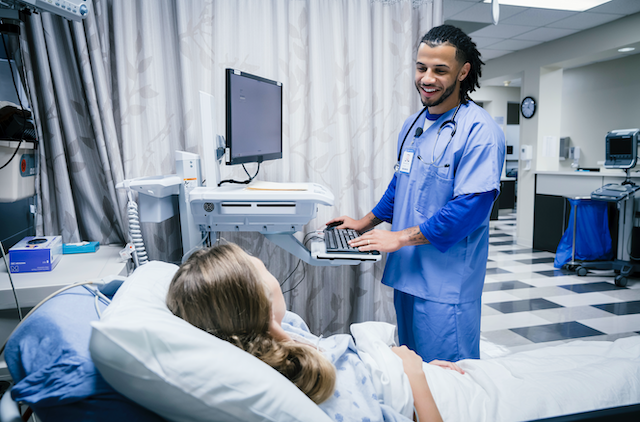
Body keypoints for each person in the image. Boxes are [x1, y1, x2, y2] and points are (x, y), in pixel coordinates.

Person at [328, 24, 506, 362]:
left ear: (463, 72)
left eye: (440, 70)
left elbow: (471, 208)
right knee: (413, 370)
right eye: (421, 67)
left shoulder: (480, 131)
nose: (427, 78)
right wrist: (364, 222)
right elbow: (403, 184)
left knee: (449, 381)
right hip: (409, 276)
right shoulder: (415, 124)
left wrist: (399, 239)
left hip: (446, 285)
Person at [166, 242, 464, 421]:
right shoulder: (327, 392)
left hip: (414, 374)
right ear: (264, 300)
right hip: (423, 395)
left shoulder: (282, 330)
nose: (256, 259)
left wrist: (410, 366)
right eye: (253, 264)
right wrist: (414, 375)